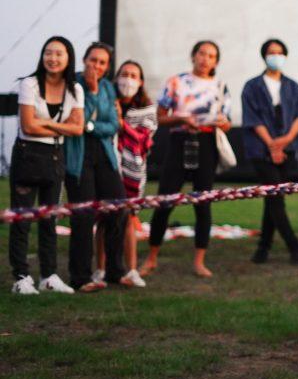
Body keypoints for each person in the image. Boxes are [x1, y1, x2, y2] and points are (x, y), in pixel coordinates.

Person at [142, 40, 231, 278]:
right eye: (202, 53)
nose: (205, 59)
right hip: (180, 142)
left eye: (211, 56)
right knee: (165, 201)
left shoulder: (221, 86)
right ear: (193, 56)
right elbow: (160, 117)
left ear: (216, 61)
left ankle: (199, 261)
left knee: (203, 203)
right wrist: (182, 119)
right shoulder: (176, 82)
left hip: (207, 144)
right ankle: (151, 258)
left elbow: (228, 121)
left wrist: (223, 123)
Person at [8, 36, 83, 295]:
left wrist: (48, 125)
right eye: (48, 53)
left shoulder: (75, 89)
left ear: (68, 58)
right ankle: (21, 277)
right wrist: (60, 127)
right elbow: (28, 126)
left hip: (55, 157)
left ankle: (49, 275)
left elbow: (78, 128)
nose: (52, 58)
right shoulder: (30, 84)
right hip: (28, 155)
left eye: (58, 54)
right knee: (22, 218)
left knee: (49, 219)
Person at [241, 39, 298, 265]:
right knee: (275, 198)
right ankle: (295, 247)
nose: (276, 56)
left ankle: (263, 249)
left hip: (289, 149)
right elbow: (253, 119)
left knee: (273, 198)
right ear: (264, 56)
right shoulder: (252, 86)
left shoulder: (293, 86)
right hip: (260, 150)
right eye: (272, 52)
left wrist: (287, 140)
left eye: (280, 52)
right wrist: (272, 145)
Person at [63, 42, 128, 291]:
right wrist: (90, 91)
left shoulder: (109, 87)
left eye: (102, 62)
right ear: (84, 60)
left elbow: (113, 124)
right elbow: (77, 117)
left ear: (107, 66)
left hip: (105, 155)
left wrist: (91, 127)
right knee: (84, 214)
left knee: (118, 208)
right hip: (79, 157)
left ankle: (115, 271)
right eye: (93, 60)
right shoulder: (74, 84)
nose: (97, 66)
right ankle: (80, 277)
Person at [96, 60, 157, 288]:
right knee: (103, 217)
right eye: (124, 74)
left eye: (134, 75)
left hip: (133, 170)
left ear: (140, 82)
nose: (128, 79)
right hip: (107, 165)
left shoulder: (148, 110)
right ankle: (100, 269)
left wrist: (120, 122)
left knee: (129, 217)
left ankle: (131, 269)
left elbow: (143, 140)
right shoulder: (106, 104)